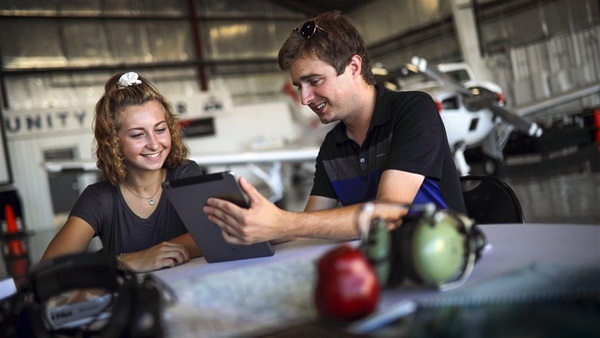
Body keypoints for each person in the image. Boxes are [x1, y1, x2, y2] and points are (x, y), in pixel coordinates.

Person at [203, 10, 466, 244]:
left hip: (445, 259)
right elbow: (310, 223)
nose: (304, 98)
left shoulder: (413, 110)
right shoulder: (333, 146)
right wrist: (247, 224)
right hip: (382, 269)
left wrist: (283, 222)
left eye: (314, 81)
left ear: (353, 67)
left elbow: (390, 213)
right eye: (299, 86)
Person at [41, 71, 202, 272]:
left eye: (160, 130)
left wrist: (151, 254)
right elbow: (49, 269)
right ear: (114, 142)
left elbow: (211, 236)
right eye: (138, 135)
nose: (154, 144)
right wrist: (125, 261)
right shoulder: (99, 199)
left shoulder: (185, 174)